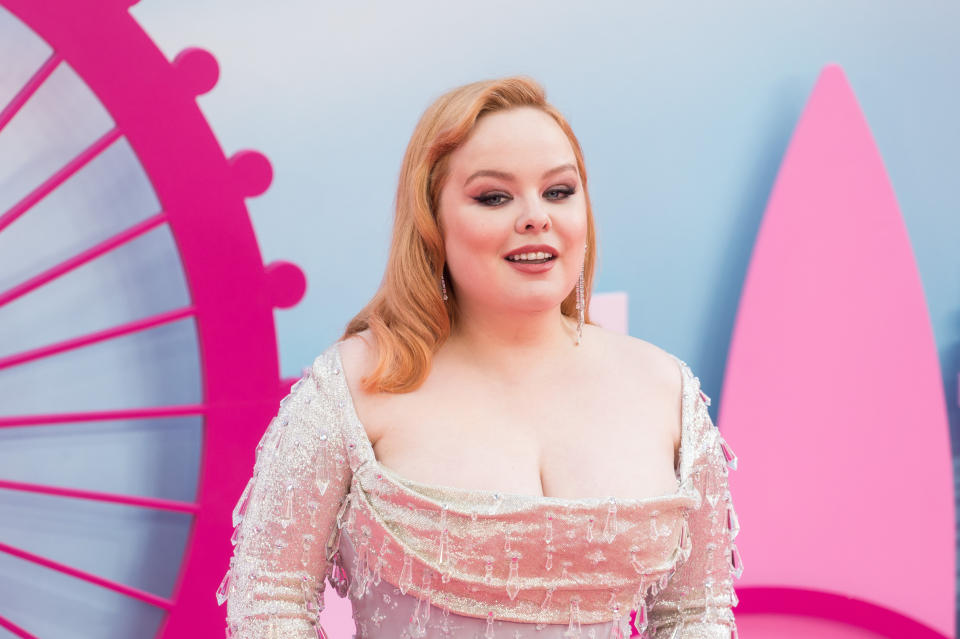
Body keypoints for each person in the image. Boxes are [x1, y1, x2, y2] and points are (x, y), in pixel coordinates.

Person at [218, 75, 742, 638]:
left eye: (559, 191)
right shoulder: (350, 386)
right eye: (494, 196)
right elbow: (269, 601)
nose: (535, 216)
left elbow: (696, 613)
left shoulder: (665, 389)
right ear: (431, 221)